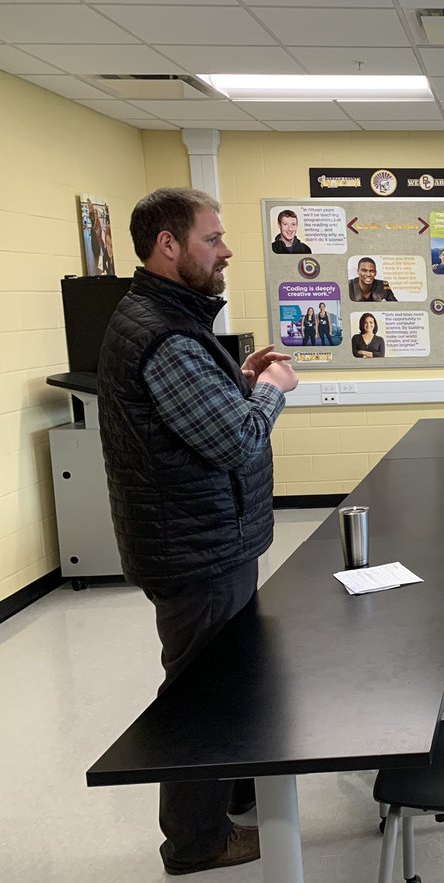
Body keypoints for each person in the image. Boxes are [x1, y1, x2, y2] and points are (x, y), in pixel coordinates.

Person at [96, 187, 298, 876]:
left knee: (225, 681)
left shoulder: (166, 318)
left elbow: (195, 419)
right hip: (196, 545)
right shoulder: (161, 331)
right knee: (201, 693)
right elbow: (238, 441)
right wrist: (273, 387)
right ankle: (197, 841)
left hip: (206, 536)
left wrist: (238, 378)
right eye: (213, 239)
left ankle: (232, 798)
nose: (228, 251)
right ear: (168, 245)